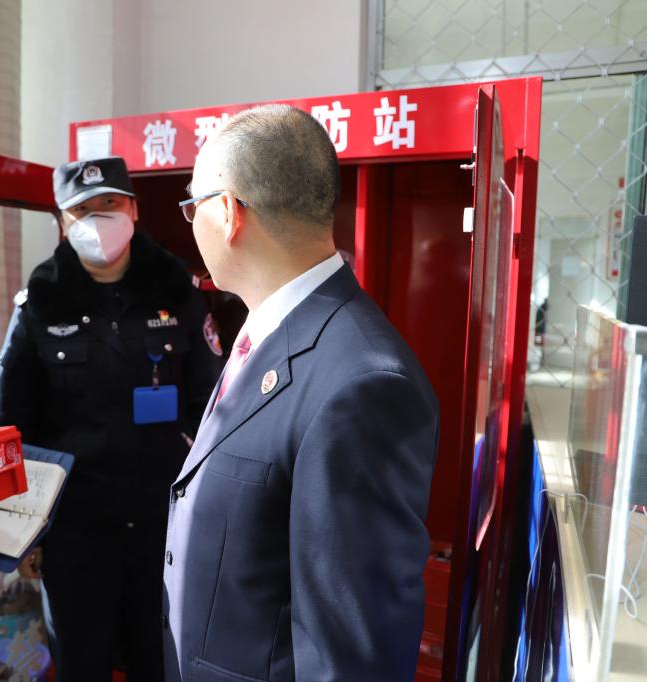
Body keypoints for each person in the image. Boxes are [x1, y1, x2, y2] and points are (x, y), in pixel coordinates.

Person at [163, 105, 440, 681]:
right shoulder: (267, 331)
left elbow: (351, 657)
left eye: (193, 207)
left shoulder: (361, 385)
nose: (191, 223)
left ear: (228, 213)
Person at [0, 156, 223, 681]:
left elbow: (214, 404)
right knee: (82, 664)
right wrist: (25, 531)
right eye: (82, 210)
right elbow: (14, 427)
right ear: (62, 221)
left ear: (134, 210)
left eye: (110, 204)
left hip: (165, 524)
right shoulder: (40, 303)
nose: (98, 219)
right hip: (75, 529)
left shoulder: (177, 290)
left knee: (162, 662)